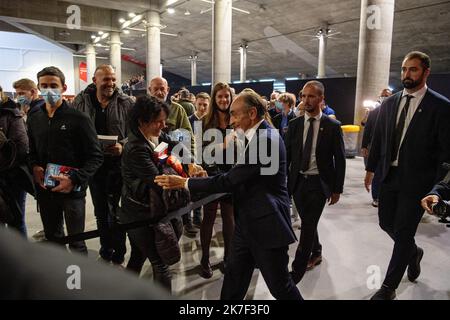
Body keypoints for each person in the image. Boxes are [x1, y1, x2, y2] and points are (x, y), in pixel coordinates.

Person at [155, 90, 302, 300]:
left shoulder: (265, 139)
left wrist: (185, 182)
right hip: (248, 224)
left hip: (266, 226)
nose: (231, 120)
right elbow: (236, 176)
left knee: (281, 287)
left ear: (252, 114)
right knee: (234, 281)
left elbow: (231, 180)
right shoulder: (254, 136)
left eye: (235, 114)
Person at [365, 51, 450, 300]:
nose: (407, 74)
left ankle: (388, 287)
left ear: (426, 72)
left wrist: (438, 188)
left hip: (418, 182)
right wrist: (371, 170)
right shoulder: (390, 103)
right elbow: (379, 139)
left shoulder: (441, 107)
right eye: (404, 69)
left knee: (403, 232)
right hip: (389, 176)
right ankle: (413, 253)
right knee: (385, 223)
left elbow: (446, 153)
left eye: (413, 70)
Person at [120, 95, 202, 292]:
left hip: (151, 209)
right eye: (158, 122)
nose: (163, 126)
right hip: (141, 213)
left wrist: (190, 163)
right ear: (142, 121)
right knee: (161, 264)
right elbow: (159, 181)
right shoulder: (136, 148)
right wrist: (185, 180)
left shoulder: (155, 136)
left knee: (138, 255)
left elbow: (176, 145)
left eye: (164, 120)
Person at [27, 66, 103, 253]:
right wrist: (35, 166)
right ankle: (59, 279)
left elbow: (95, 156)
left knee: (76, 242)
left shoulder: (79, 118)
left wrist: (75, 179)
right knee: (53, 240)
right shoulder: (35, 117)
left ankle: (76, 282)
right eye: (44, 86)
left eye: (53, 85)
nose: (48, 90)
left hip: (72, 192)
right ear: (38, 88)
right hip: (46, 190)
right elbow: (32, 150)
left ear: (64, 87)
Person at [285, 81, 346, 284]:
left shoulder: (332, 126)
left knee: (308, 225)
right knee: (307, 220)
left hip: (319, 184)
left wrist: (337, 189)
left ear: (321, 99)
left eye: (311, 96)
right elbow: (287, 157)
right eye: (303, 96)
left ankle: (297, 271)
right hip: (298, 183)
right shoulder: (294, 125)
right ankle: (317, 251)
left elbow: (340, 159)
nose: (305, 100)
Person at [72, 64, 133, 265]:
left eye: (113, 79)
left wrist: (123, 146)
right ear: (94, 80)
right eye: (106, 79)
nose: (111, 83)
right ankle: (106, 248)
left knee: (117, 212)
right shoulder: (80, 102)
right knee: (100, 211)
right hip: (94, 167)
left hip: (118, 166)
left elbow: (136, 132)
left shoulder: (126, 102)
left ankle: (120, 252)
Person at [195, 82, 235, 279]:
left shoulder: (236, 120)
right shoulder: (204, 122)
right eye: (220, 96)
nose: (223, 100)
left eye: (226, 96)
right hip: (211, 175)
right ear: (214, 98)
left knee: (229, 217)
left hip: (231, 175)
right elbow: (200, 152)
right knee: (208, 217)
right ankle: (204, 259)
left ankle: (228, 257)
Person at [0, 87, 33, 236]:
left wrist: (3, 143)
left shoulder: (12, 114)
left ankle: (21, 257)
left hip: (12, 178)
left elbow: (22, 148)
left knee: (16, 220)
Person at [361, 88, 393, 207]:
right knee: (376, 173)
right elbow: (367, 129)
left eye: (387, 95)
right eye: (383, 95)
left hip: (390, 149)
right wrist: (364, 146)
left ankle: (385, 196)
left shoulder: (395, 111)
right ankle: (376, 197)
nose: (385, 97)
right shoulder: (374, 112)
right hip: (375, 147)